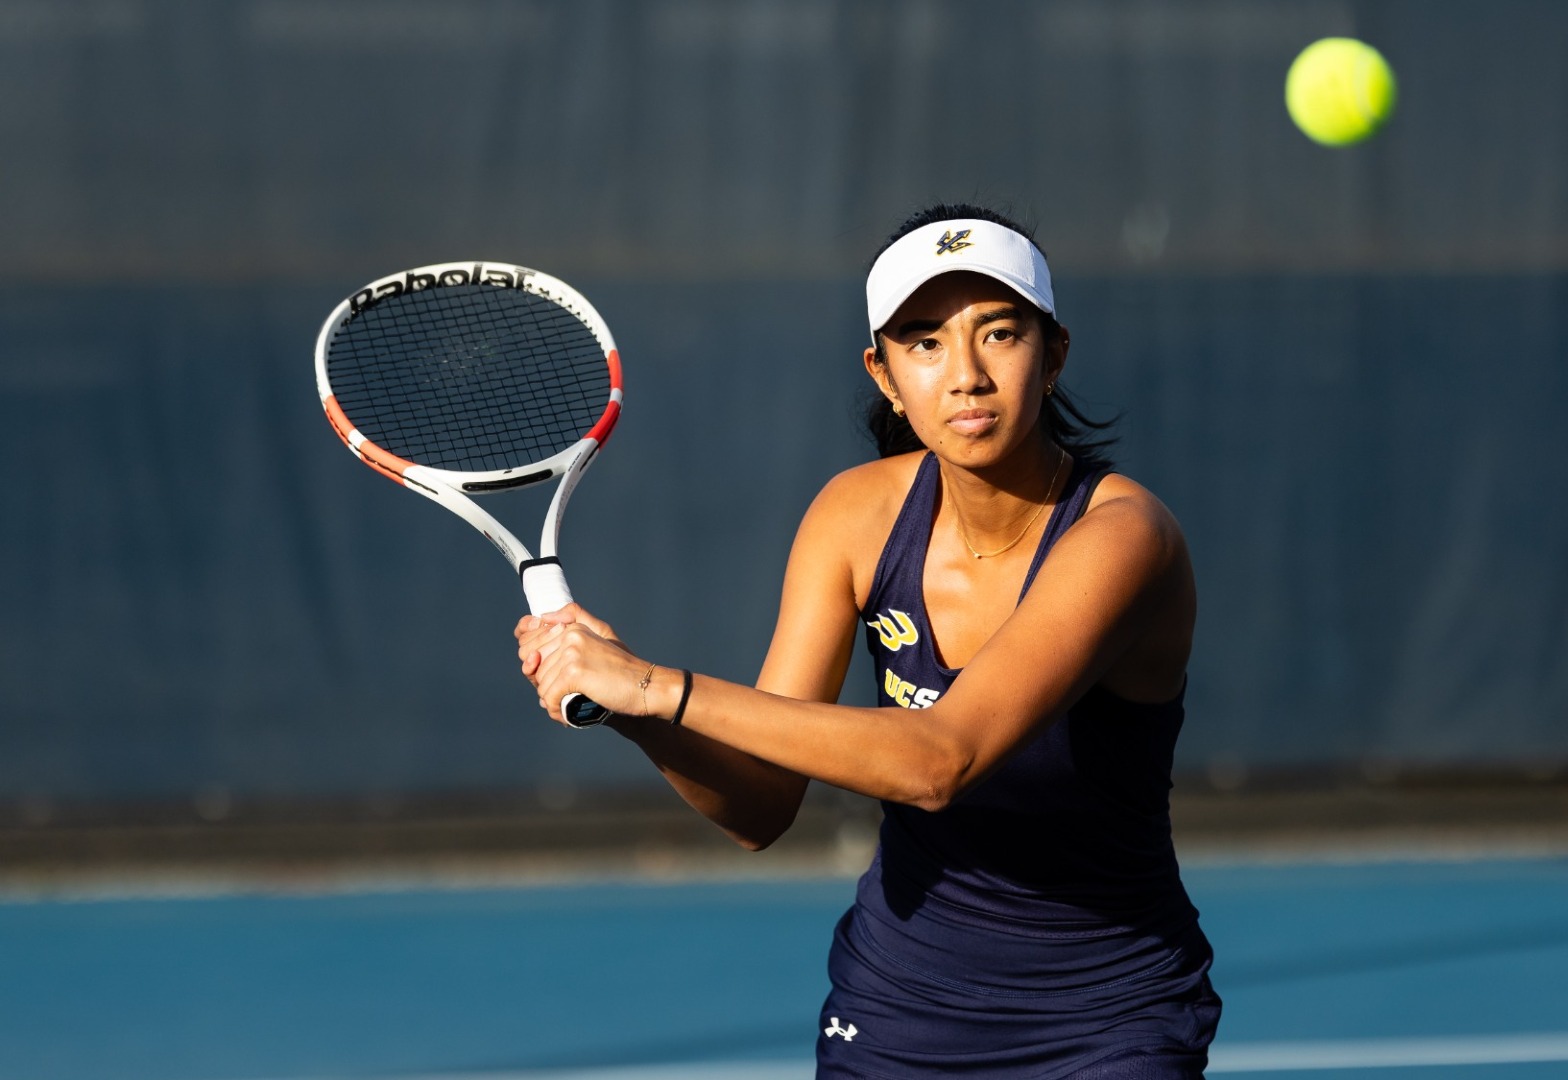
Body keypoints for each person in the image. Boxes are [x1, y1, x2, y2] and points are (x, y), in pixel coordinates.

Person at [517, 204, 1220, 1077]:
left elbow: (939, 762)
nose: (965, 374)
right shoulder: (855, 515)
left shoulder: (1124, 538)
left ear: (1054, 354)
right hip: (899, 1007)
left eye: (998, 333)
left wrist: (658, 686)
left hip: (1107, 1017)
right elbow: (759, 808)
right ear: (883, 374)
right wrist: (628, 708)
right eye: (924, 343)